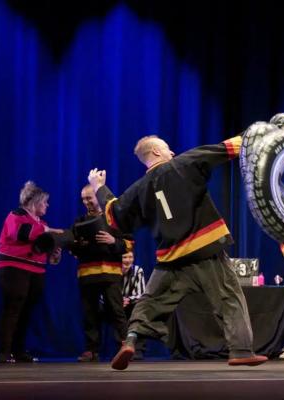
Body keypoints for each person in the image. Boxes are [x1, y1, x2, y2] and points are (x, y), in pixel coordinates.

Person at [88, 134, 267, 370]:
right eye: (168, 148)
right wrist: (260, 134)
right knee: (229, 298)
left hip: (170, 259)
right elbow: (227, 148)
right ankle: (241, 350)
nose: (172, 153)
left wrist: (99, 188)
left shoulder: (139, 188)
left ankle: (130, 340)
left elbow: (114, 215)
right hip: (204, 251)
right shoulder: (183, 163)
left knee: (150, 302)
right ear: (155, 153)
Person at [0, 181, 62, 363]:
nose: (47, 205)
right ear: (35, 202)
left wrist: (54, 251)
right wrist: (50, 231)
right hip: (13, 267)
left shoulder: (42, 223)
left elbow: (49, 255)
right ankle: (4, 352)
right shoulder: (16, 215)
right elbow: (22, 233)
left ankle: (18, 351)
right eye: (44, 202)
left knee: (26, 310)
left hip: (36, 270)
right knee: (13, 308)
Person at [70, 185, 130, 362]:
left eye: (89, 198)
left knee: (116, 310)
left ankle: (126, 345)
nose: (86, 202)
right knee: (90, 314)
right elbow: (73, 249)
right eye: (83, 199)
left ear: (98, 196)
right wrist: (76, 245)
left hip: (110, 272)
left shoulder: (113, 219)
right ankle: (91, 349)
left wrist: (113, 241)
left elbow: (128, 244)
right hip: (87, 273)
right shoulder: (79, 221)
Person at [120, 251, 147, 359]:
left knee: (139, 311)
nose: (127, 260)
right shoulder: (112, 271)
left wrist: (127, 300)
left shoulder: (137, 271)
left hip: (131, 303)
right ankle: (122, 347)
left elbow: (140, 293)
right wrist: (118, 301)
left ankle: (137, 349)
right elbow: (102, 295)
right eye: (124, 257)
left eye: (130, 257)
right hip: (114, 304)